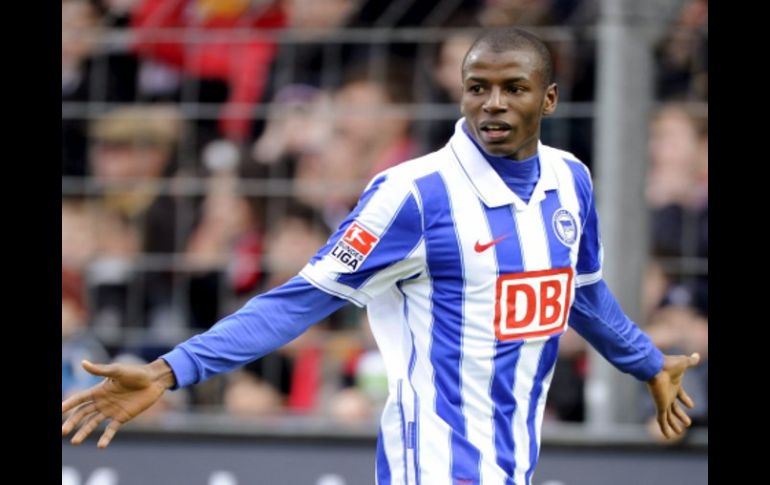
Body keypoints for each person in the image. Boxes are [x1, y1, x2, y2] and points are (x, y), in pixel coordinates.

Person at [62, 27, 701, 485]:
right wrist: (172, 370)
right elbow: (295, 303)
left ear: (550, 99)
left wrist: (646, 362)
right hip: (431, 465)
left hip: (516, 462)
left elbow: (581, 290)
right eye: (478, 88)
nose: (494, 104)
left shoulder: (570, 179)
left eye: (514, 88)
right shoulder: (414, 195)